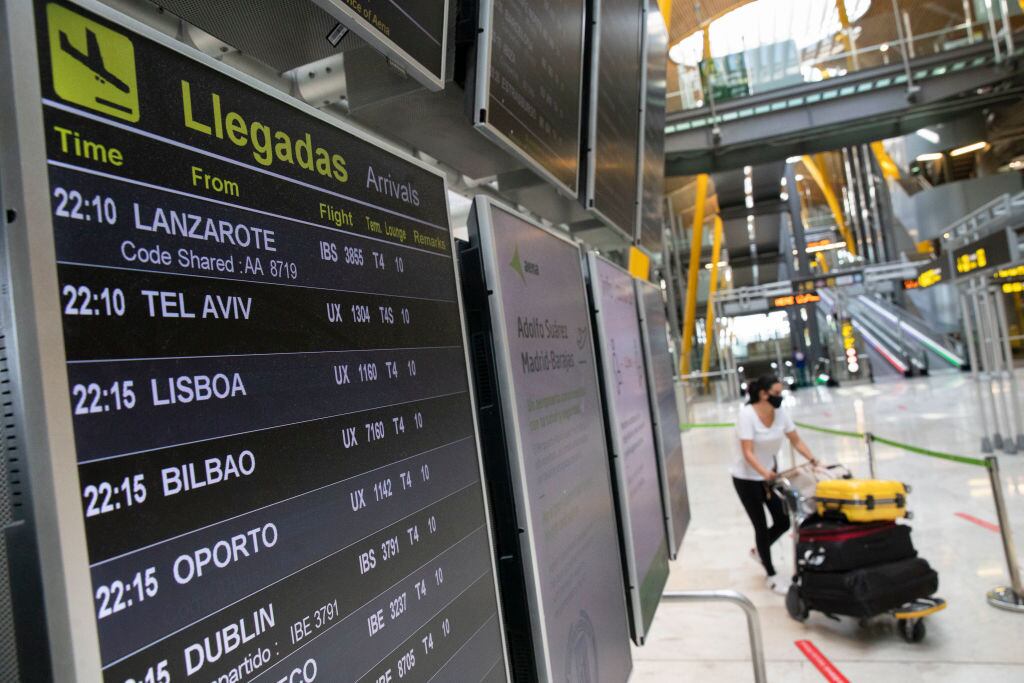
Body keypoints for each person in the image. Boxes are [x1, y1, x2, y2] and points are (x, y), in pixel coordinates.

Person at [732, 374, 818, 595]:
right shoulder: (747, 415)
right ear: (763, 394)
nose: (780, 397)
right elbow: (747, 452)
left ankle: (759, 551)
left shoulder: (780, 414)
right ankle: (770, 574)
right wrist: (764, 473)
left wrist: (813, 460)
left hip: (770, 476)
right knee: (760, 525)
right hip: (747, 478)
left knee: (782, 521)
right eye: (776, 393)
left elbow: (796, 440)